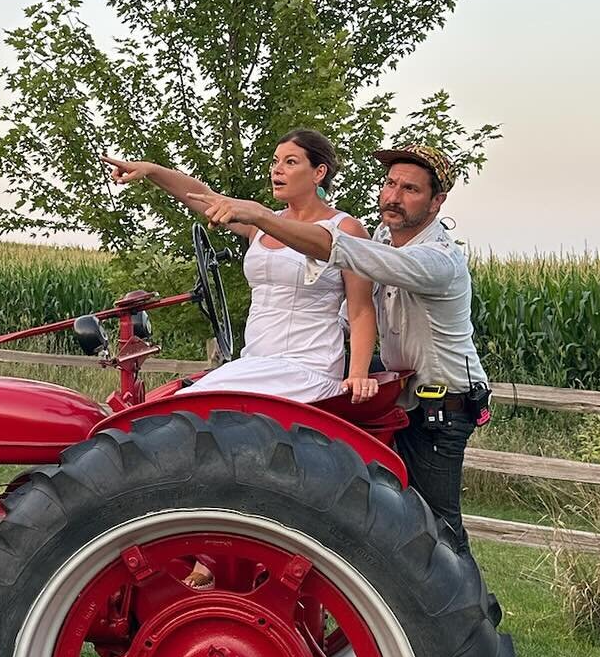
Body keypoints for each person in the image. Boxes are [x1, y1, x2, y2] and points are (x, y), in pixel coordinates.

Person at [187, 144, 490, 556]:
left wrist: (261, 216)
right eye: (390, 184)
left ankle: (471, 619)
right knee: (393, 519)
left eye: (411, 190)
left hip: (443, 405)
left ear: (437, 202)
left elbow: (347, 255)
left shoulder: (438, 261)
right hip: (405, 394)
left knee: (438, 528)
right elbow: (350, 308)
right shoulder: (385, 236)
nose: (393, 197)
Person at [101, 129, 380, 405]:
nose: (276, 170)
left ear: (319, 172)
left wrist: (356, 375)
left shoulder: (345, 229)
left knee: (186, 405)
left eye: (290, 162)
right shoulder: (260, 222)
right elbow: (201, 196)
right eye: (275, 161)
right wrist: (151, 170)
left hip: (307, 368)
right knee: (176, 406)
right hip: (256, 363)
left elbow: (361, 310)